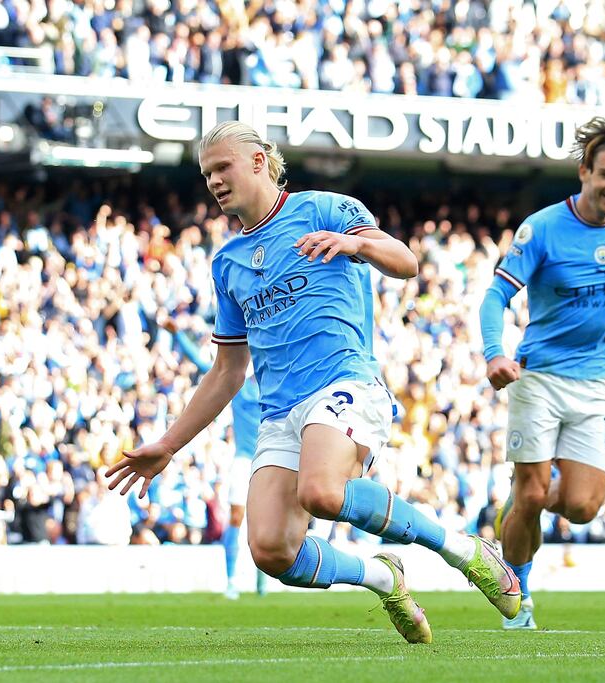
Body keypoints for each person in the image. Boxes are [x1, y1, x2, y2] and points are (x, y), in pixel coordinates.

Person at [108, 121, 520, 644]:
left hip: (344, 382)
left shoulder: (326, 207)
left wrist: (355, 246)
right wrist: (167, 445)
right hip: (279, 414)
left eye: (222, 167)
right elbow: (228, 371)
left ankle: (462, 550)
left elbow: (407, 263)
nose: (213, 181)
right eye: (206, 173)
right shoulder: (228, 263)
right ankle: (380, 577)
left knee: (323, 491)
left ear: (258, 161)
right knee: (272, 551)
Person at [481, 117, 605, 630]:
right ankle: (517, 601)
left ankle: (519, 501)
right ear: (584, 171)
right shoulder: (541, 228)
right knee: (535, 495)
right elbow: (496, 296)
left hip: (597, 380)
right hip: (539, 379)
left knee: (582, 506)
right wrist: (495, 353)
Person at [160, 313, 267, 599]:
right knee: (236, 515)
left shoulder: (277, 384)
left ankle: (262, 582)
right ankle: (231, 580)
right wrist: (176, 335)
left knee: (266, 520)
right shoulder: (238, 382)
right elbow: (204, 365)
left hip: (270, 457)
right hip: (245, 457)